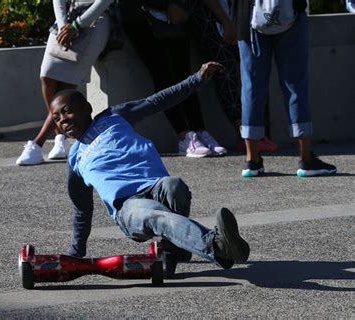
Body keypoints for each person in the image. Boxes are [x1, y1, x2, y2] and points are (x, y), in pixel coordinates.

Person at [51, 62, 250, 277]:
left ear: (87, 108)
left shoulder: (114, 117)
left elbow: (157, 102)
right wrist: (75, 253)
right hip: (128, 207)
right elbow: (82, 209)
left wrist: (196, 79)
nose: (63, 120)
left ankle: (174, 251)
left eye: (67, 111)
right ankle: (218, 247)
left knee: (175, 185)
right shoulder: (75, 158)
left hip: (156, 187)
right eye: (57, 118)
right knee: (160, 216)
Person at [232, 0, 337, 177]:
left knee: (251, 87)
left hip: (247, 15)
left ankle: (252, 159)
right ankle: (305, 158)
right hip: (290, 13)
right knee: (295, 84)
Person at [119, 0, 227, 157]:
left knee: (185, 74)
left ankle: (199, 130)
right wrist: (166, 6)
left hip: (175, 16)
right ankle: (184, 137)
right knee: (163, 75)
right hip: (140, 16)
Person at [16, 0, 114, 165]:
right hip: (66, 20)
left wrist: (77, 25)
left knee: (66, 88)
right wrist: (64, 26)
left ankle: (37, 144)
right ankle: (61, 137)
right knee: (46, 78)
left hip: (96, 21)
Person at [187, 0, 280, 152]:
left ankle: (255, 132)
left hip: (236, 15)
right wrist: (226, 21)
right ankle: (244, 134)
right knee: (225, 71)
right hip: (212, 16)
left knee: (252, 70)